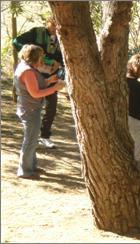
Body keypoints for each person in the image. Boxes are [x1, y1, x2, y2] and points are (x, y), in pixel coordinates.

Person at [14, 44, 65, 179]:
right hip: (29, 110)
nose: (43, 59)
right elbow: (35, 93)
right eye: (41, 56)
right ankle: (25, 171)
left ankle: (31, 167)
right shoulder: (28, 71)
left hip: (29, 109)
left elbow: (34, 86)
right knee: (30, 140)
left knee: (32, 139)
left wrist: (49, 81)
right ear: (34, 57)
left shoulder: (26, 67)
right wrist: (55, 88)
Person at [13, 17, 63, 149]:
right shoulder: (36, 32)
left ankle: (45, 136)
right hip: (34, 74)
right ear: (48, 23)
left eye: (57, 26)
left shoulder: (63, 37)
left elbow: (64, 56)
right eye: (53, 25)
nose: (55, 29)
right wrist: (31, 55)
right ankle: (30, 135)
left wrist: (59, 63)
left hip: (50, 76)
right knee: (33, 102)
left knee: (51, 106)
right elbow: (16, 42)